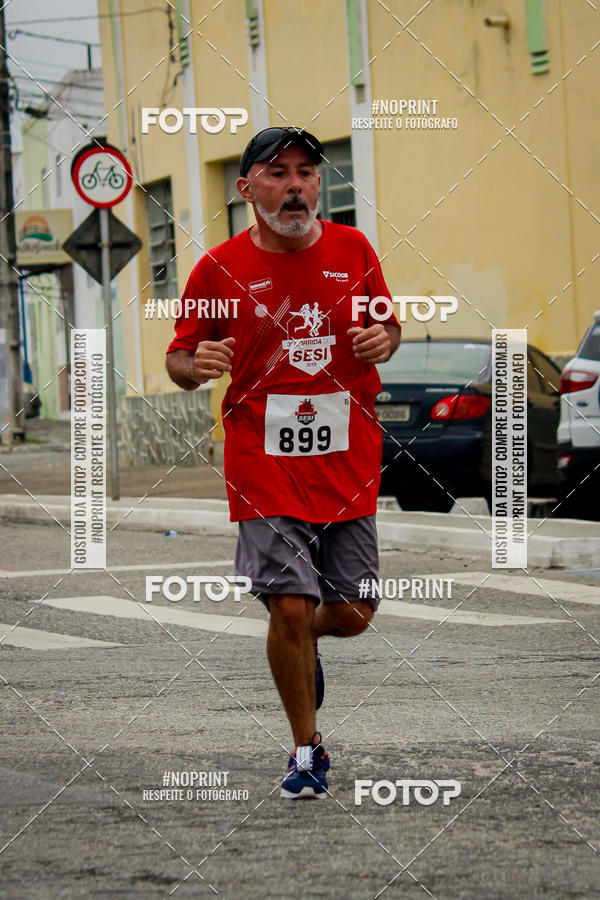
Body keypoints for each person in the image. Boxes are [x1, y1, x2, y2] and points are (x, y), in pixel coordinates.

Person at [165, 126, 401, 799]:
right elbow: (180, 355)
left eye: (306, 172)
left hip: (346, 456)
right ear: (247, 189)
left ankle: (303, 644)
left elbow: (389, 326)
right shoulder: (217, 268)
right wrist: (194, 365)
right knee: (292, 607)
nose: (295, 184)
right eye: (277, 173)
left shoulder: (354, 249)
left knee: (352, 611)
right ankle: (306, 749)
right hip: (260, 455)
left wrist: (384, 338)